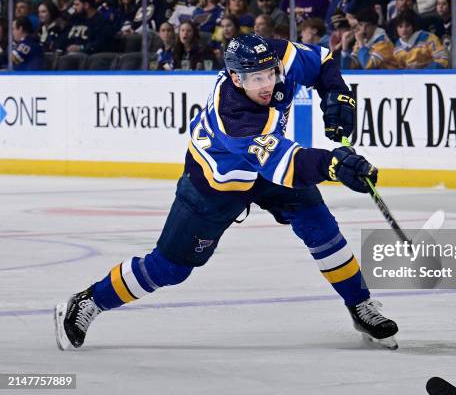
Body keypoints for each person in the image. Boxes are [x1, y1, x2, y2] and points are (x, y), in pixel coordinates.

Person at [54, 33, 399, 351]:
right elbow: (288, 165)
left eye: (270, 74)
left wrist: (336, 93)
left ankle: (359, 304)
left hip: (268, 168)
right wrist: (334, 165)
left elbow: (322, 62)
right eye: (255, 79)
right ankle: (90, 300)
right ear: (236, 79)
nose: (267, 85)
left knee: (319, 225)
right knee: (170, 268)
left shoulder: (276, 58)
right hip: (216, 183)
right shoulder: (234, 117)